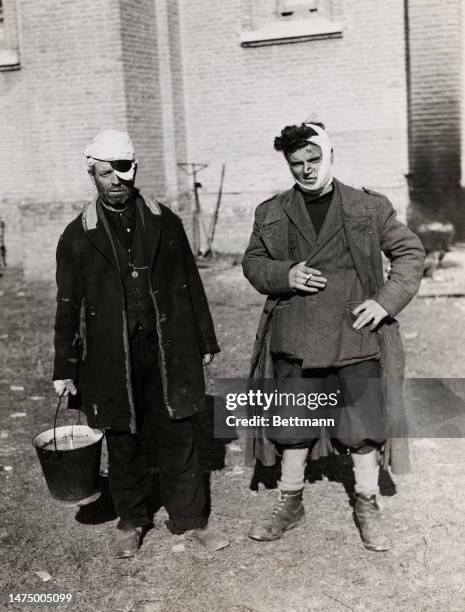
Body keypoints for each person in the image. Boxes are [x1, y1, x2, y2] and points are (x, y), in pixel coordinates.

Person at [242, 120, 425, 551]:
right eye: (296, 163)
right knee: (293, 424)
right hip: (296, 336)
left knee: (363, 424)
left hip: (355, 334)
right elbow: (253, 263)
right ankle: (290, 502)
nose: (305, 170)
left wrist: (385, 301)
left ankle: (366, 503)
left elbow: (410, 252)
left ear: (329, 155)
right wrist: (283, 274)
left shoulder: (367, 206)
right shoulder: (272, 211)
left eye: (313, 159)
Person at [53, 130, 229, 558]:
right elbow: (67, 305)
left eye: (124, 171)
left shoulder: (164, 220)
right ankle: (131, 519)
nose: (117, 181)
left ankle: (190, 519)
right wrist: (65, 367)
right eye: (106, 173)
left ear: (136, 170)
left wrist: (204, 338)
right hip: (111, 357)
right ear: (91, 172)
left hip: (169, 346)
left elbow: (190, 281)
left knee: (178, 430)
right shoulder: (77, 236)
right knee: (122, 435)